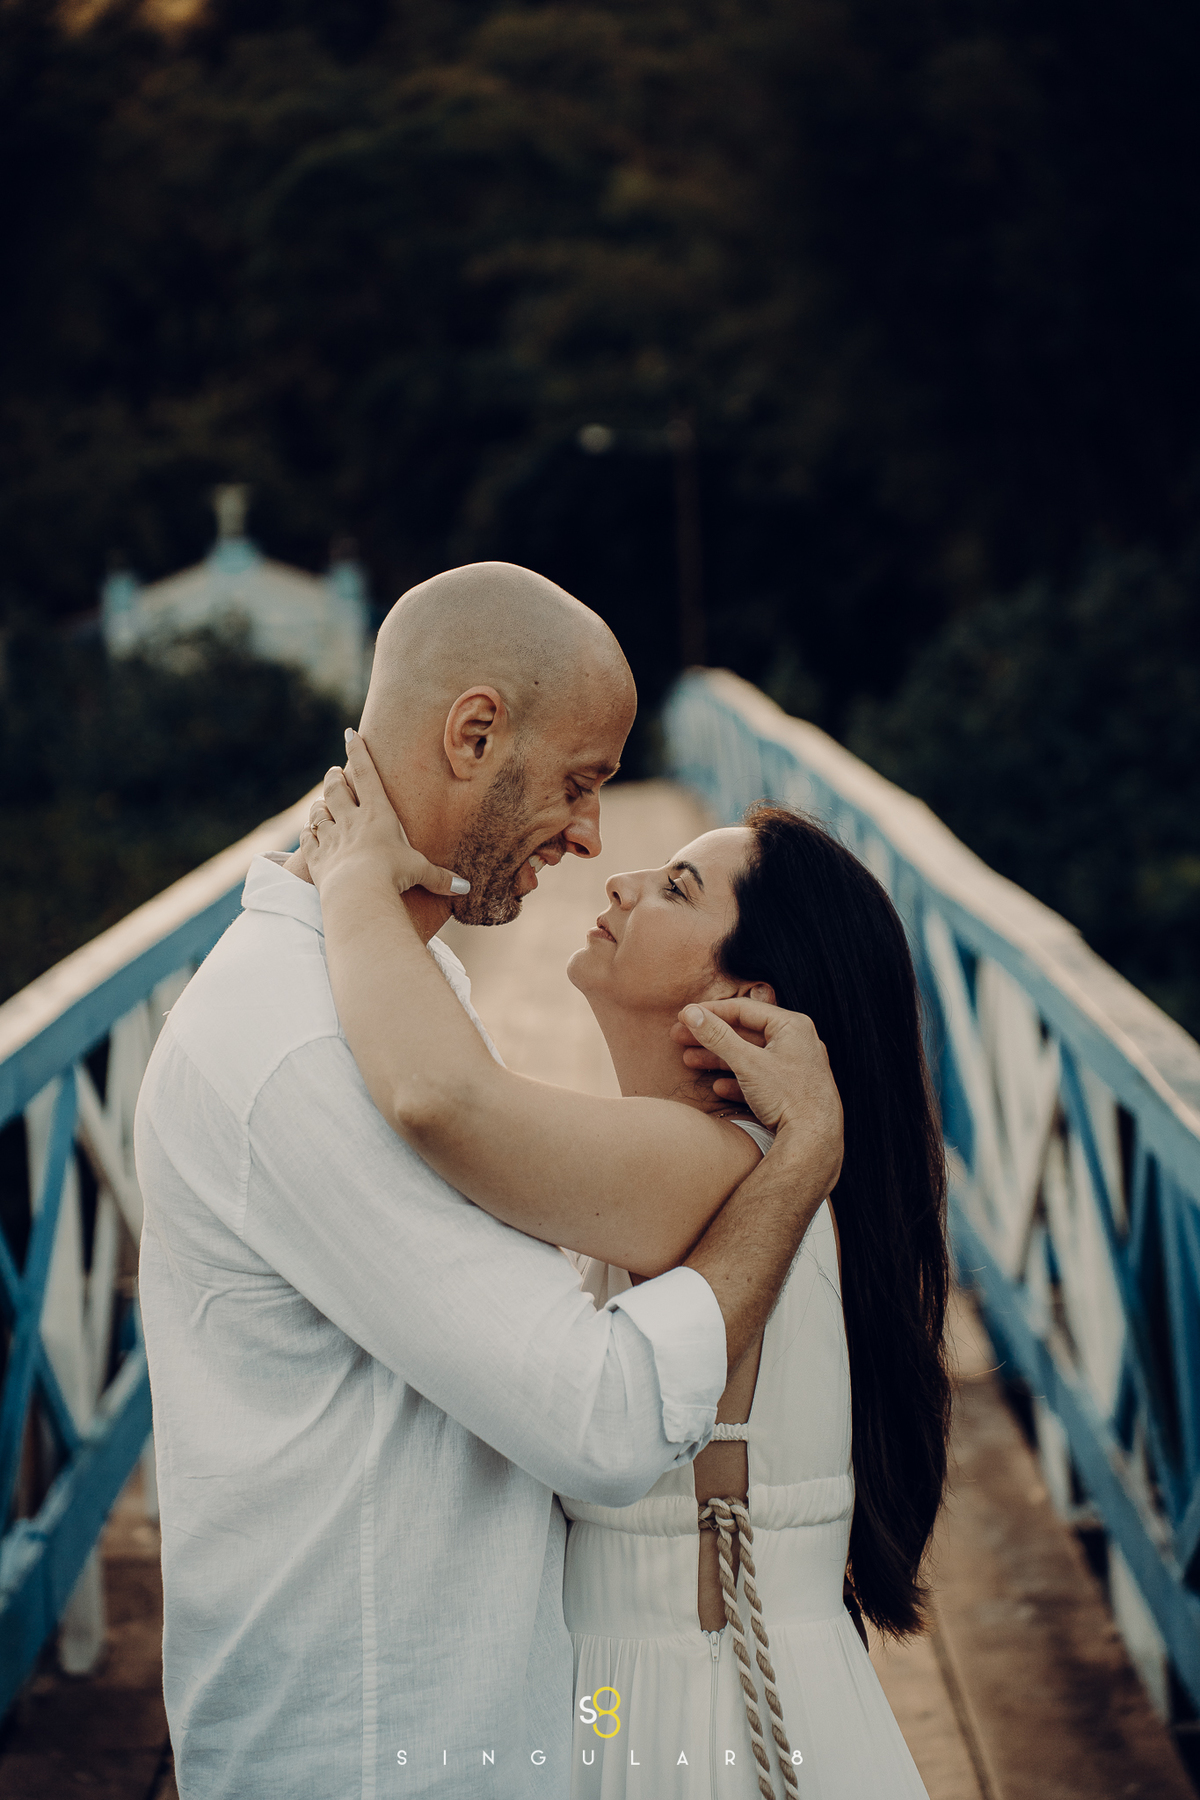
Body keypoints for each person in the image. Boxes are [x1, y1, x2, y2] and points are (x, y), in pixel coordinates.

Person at [134, 562, 844, 1800]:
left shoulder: (401, 992)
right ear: (473, 735)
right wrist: (801, 1165)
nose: (593, 838)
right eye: (581, 781)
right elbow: (603, 1418)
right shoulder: (301, 1041)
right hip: (364, 1758)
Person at [300, 726, 953, 1800]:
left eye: (678, 889)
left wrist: (350, 884)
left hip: (685, 1707)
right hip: (687, 1685)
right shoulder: (722, 1166)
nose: (625, 879)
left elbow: (439, 1099)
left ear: (749, 999)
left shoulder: (709, 1170)